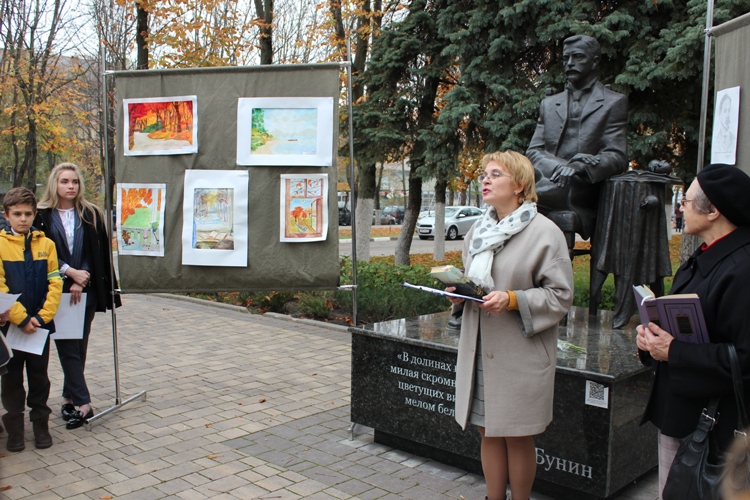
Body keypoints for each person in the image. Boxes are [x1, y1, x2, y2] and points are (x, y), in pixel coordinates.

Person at [446, 151, 574, 500]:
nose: (485, 180)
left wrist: (514, 299)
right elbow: (478, 284)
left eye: (496, 174)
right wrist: (461, 295)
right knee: (487, 431)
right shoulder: (478, 231)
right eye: (484, 174)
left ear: (520, 185)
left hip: (520, 352)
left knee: (517, 434)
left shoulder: (545, 233)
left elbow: (561, 296)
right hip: (480, 350)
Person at [637, 163, 750, 498]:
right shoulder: (705, 255)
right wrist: (649, 342)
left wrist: (674, 351)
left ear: (713, 210)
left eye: (685, 200)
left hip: (715, 428)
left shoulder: (743, 270)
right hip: (683, 414)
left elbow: (744, 360)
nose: (680, 207)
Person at [35, 163, 120, 430]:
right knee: (68, 346)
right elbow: (41, 253)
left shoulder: (91, 213)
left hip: (88, 288)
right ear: (54, 184)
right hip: (56, 290)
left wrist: (83, 278)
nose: (70, 186)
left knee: (78, 346)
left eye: (74, 181)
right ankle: (84, 404)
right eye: (64, 181)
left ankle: (68, 397)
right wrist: (69, 273)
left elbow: (99, 254)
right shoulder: (41, 216)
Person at [526, 35, 628, 241]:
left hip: (583, 186)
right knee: (511, 187)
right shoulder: (549, 103)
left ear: (595, 61)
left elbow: (617, 156)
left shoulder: (613, 102)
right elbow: (533, 151)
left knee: (516, 196)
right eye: (566, 58)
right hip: (548, 179)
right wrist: (562, 167)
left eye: (578, 57)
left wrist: (579, 167)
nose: (570, 63)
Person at [0, 187, 63, 451]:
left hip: (39, 328)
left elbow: (55, 282)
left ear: (35, 214)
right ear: (6, 215)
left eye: (28, 213)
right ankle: (15, 430)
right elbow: (0, 287)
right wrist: (21, 318)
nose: (23, 219)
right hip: (11, 328)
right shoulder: (1, 245)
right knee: (12, 382)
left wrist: (40, 317)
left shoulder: (46, 244)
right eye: (17, 214)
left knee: (40, 378)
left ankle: (41, 425)